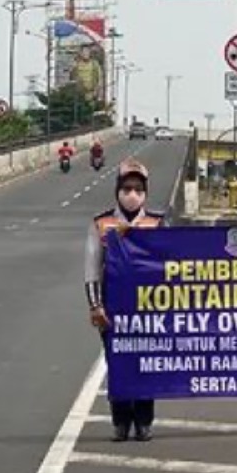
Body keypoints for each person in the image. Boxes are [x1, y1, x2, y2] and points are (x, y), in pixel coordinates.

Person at [84, 158, 165, 442]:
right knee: (117, 363)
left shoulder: (157, 223)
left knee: (146, 363)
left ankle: (144, 421)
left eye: (138, 189)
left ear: (145, 192)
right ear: (118, 189)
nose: (132, 194)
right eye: (127, 188)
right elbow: (92, 268)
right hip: (113, 309)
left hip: (149, 310)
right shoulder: (102, 224)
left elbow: (171, 266)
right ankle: (120, 422)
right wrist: (96, 306)